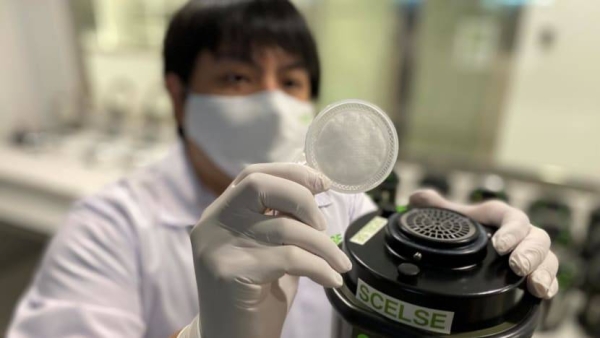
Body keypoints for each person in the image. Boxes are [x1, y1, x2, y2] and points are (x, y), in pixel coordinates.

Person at [7, 1, 559, 338]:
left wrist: (474, 275)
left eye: (291, 82)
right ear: (178, 96)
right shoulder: (107, 229)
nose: (273, 102)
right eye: (238, 79)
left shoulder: (342, 203)